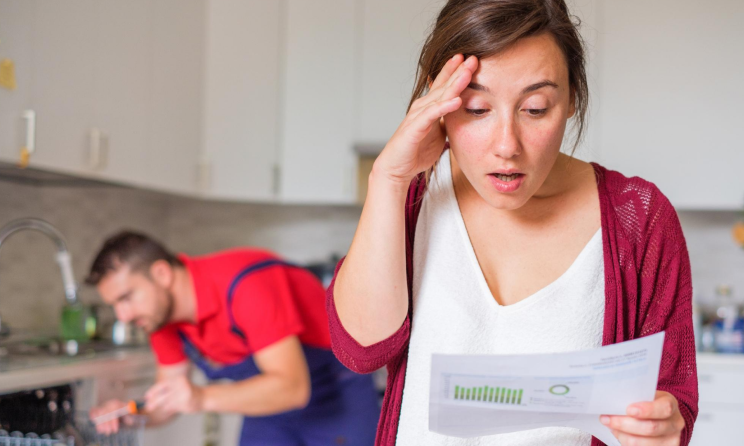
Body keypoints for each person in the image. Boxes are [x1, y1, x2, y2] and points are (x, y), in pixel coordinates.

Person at [328, 1, 697, 445]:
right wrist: (387, 178)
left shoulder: (639, 218)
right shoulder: (413, 198)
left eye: (536, 108)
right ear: (439, 102)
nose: (507, 145)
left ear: (573, 99)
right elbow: (362, 350)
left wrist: (661, 426)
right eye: (478, 109)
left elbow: (673, 400)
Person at [87, 232, 379, 446]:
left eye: (126, 297)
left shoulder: (245, 284)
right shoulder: (159, 318)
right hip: (265, 406)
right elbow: (168, 399)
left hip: (335, 396)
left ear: (161, 274)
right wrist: (134, 414)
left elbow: (293, 388)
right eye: (115, 304)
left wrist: (201, 397)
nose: (122, 315)